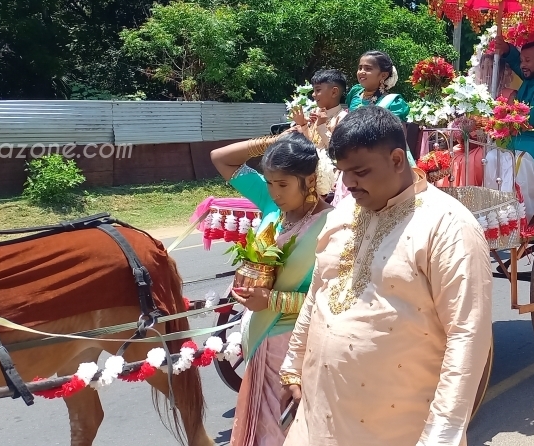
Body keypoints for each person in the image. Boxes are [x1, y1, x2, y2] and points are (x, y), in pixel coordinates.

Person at [278, 107, 493, 445]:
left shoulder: (449, 226)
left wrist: (441, 436)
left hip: (397, 428)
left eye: (360, 171)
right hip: (317, 418)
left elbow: (468, 335)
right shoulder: (345, 212)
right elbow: (319, 292)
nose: (348, 183)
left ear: (396, 159)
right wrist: (293, 363)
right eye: (342, 172)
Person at [210, 132, 336, 446]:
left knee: (289, 432)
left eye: (283, 185)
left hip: (296, 347)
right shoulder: (270, 204)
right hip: (257, 337)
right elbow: (220, 158)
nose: (275, 192)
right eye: (269, 182)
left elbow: (333, 297)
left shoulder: (333, 225)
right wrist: (275, 142)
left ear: (310, 180)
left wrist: (272, 299)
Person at [485, 40, 534, 213]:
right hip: (519, 137)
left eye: (527, 61)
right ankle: (492, 212)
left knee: (520, 162)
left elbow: (531, 118)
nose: (522, 65)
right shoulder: (533, 75)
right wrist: (506, 50)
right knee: (492, 157)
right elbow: (516, 63)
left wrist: (504, 116)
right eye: (522, 61)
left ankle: (517, 219)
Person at [290, 69, 348, 148]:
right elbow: (310, 145)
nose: (313, 94)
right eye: (313, 90)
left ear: (334, 92)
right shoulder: (316, 113)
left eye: (318, 90)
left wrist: (321, 126)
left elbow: (337, 150)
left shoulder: (343, 118)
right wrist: (303, 124)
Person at [346, 51, 410, 121]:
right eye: (360, 68)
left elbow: (398, 131)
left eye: (368, 68)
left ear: (383, 75)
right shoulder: (355, 92)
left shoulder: (393, 103)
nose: (361, 72)